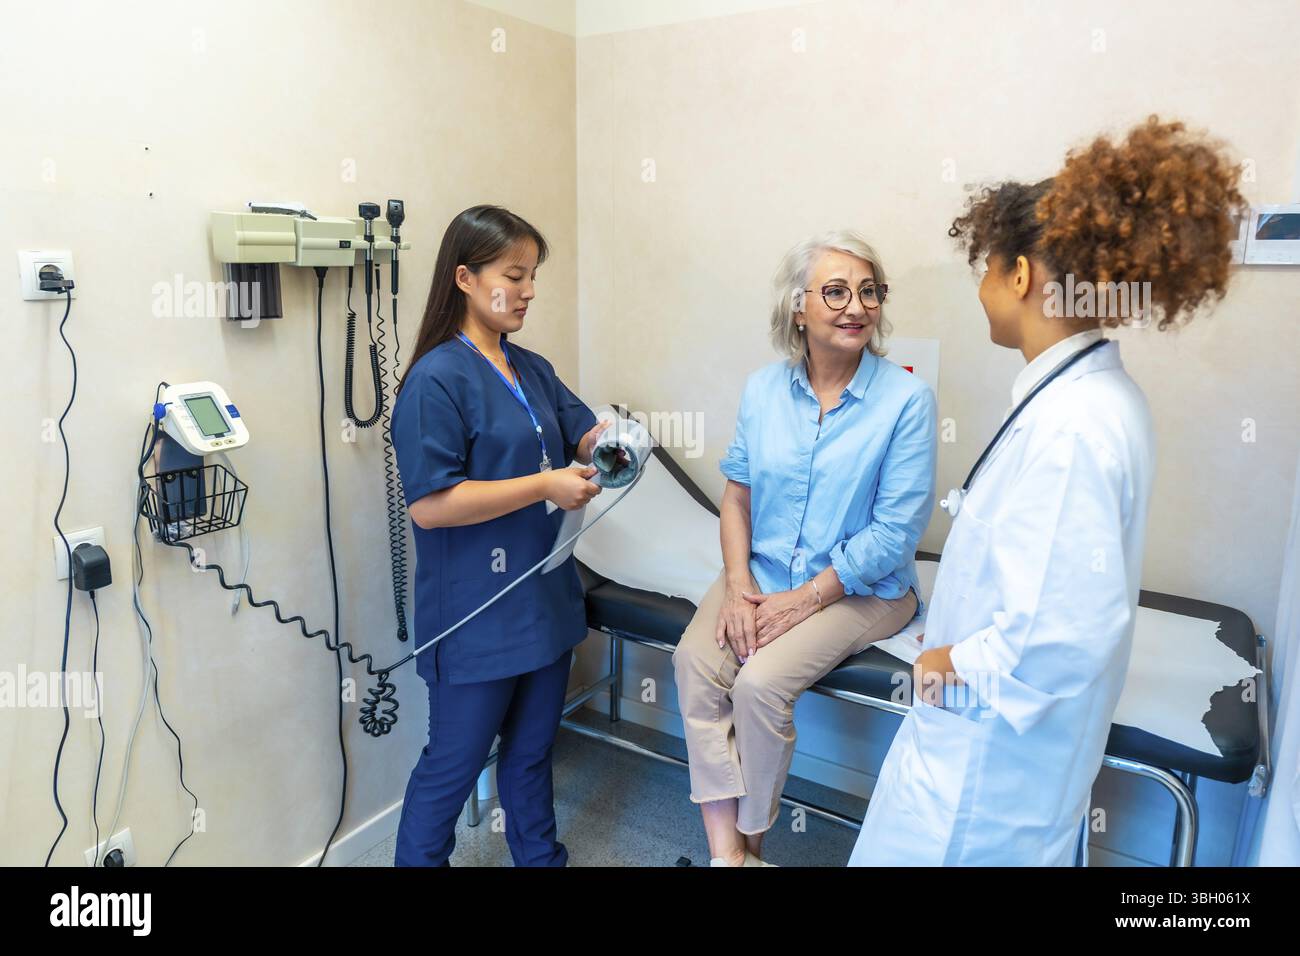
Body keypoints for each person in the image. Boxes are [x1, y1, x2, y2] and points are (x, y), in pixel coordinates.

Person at [849, 117, 1245, 866]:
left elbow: (1062, 632)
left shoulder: (1074, 426)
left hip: (984, 776)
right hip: (994, 761)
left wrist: (947, 663)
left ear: (1023, 275)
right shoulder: (1083, 397)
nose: (983, 289)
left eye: (988, 269)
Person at [673, 230, 937, 867]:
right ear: (799, 307)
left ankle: (753, 842)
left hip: (864, 589)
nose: (856, 306)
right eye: (837, 291)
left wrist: (800, 602)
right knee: (694, 664)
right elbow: (736, 496)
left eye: (869, 292)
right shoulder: (765, 389)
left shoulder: (906, 400)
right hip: (762, 571)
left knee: (759, 684)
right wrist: (739, 584)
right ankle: (727, 858)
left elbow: (894, 535)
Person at [390, 205, 608, 866]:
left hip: (543, 602)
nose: (529, 291)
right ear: (464, 276)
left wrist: (615, 439)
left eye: (532, 276)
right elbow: (431, 505)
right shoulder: (435, 381)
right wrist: (545, 487)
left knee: (533, 755)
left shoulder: (529, 367)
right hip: (474, 617)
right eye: (514, 275)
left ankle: (541, 860)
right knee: (450, 772)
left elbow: (581, 431)